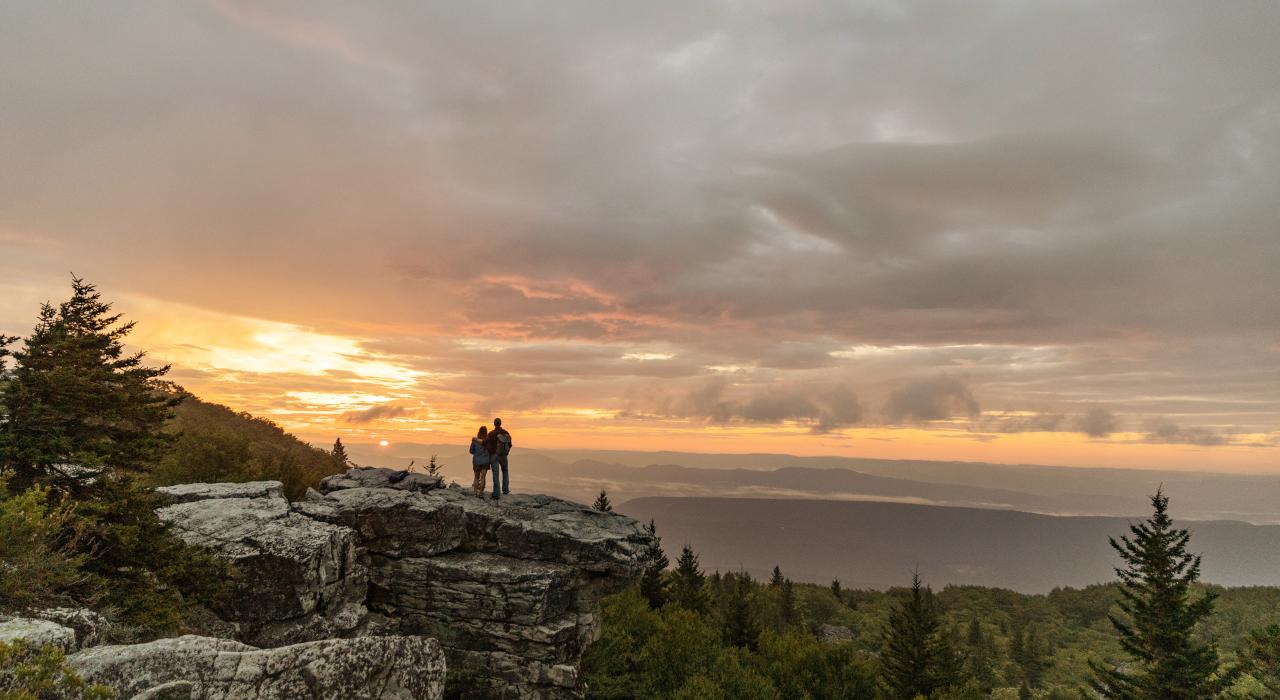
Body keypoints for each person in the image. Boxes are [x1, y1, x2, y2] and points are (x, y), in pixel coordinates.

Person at [484, 417, 513, 500]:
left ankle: (496, 494)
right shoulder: (506, 433)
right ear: (500, 423)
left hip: (494, 456)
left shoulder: (492, 433)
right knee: (505, 471)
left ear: (494, 424)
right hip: (504, 456)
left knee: (495, 474)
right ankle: (506, 490)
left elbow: (486, 443)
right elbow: (510, 444)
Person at [469, 426, 491, 498]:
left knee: (476, 477)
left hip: (476, 461)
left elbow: (471, 451)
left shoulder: (475, 441)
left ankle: (475, 493)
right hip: (485, 461)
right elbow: (491, 450)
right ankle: (481, 493)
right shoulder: (488, 441)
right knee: (483, 478)